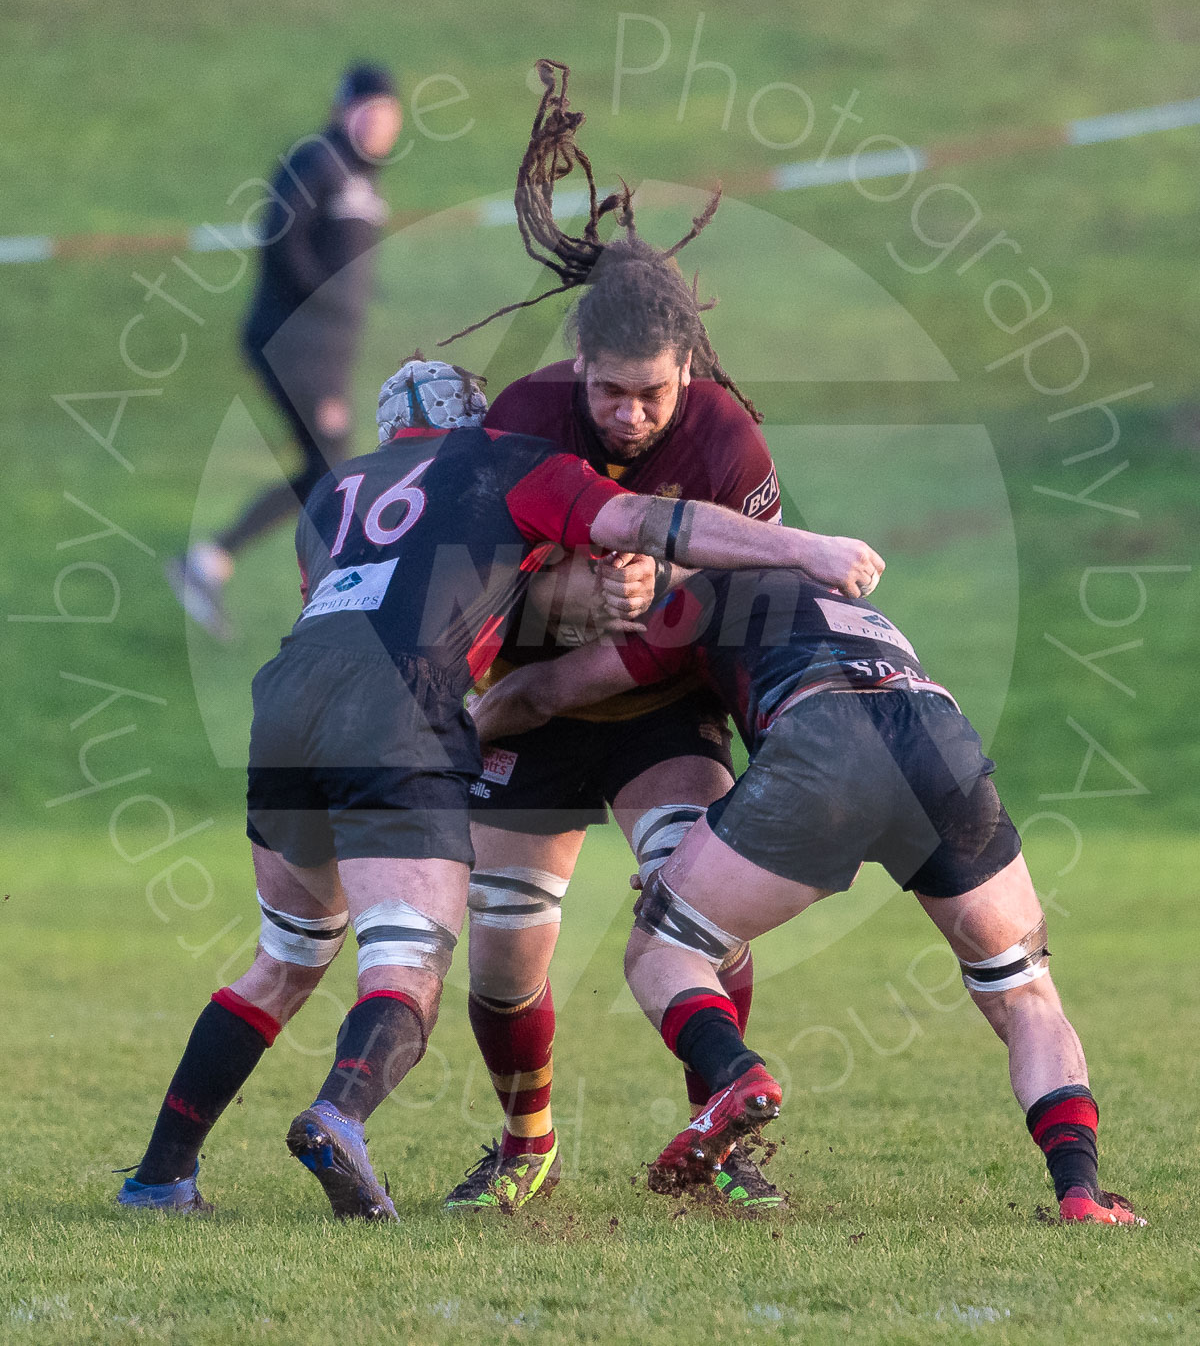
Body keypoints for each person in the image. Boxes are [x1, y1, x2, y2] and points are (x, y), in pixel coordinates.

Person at [117, 358, 884, 1219]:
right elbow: (639, 522)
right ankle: (342, 1114)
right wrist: (797, 549)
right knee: (410, 964)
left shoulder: (332, 499)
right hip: (404, 705)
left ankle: (161, 1176)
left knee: (289, 954)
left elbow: (377, 589)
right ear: (474, 420)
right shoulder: (511, 459)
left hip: (288, 701)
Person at [469, 567, 1147, 1226]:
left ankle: (738, 1075)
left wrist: (444, 734)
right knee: (1024, 992)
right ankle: (1081, 1193)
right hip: (940, 742)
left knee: (661, 950)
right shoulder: (835, 594)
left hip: (827, 742)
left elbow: (546, 692)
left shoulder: (707, 592)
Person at [438, 61, 812, 1215]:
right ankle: (527, 1145)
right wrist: (559, 601)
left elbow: (753, 612)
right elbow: (462, 594)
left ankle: (726, 1139)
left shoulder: (730, 445)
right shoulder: (523, 416)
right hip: (536, 712)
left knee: (696, 906)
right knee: (502, 953)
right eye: (610, 392)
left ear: (688, 373)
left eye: (651, 395)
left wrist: (650, 611)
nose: (630, 416)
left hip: (658, 709)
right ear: (579, 368)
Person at [168, 63, 402, 639]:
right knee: (332, 469)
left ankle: (211, 563)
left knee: (325, 469)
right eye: (368, 109)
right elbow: (281, 242)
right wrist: (320, 310)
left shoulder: (364, 179)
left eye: (389, 113)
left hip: (324, 353)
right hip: (294, 343)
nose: (378, 123)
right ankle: (356, 602)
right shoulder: (315, 161)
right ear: (342, 109)